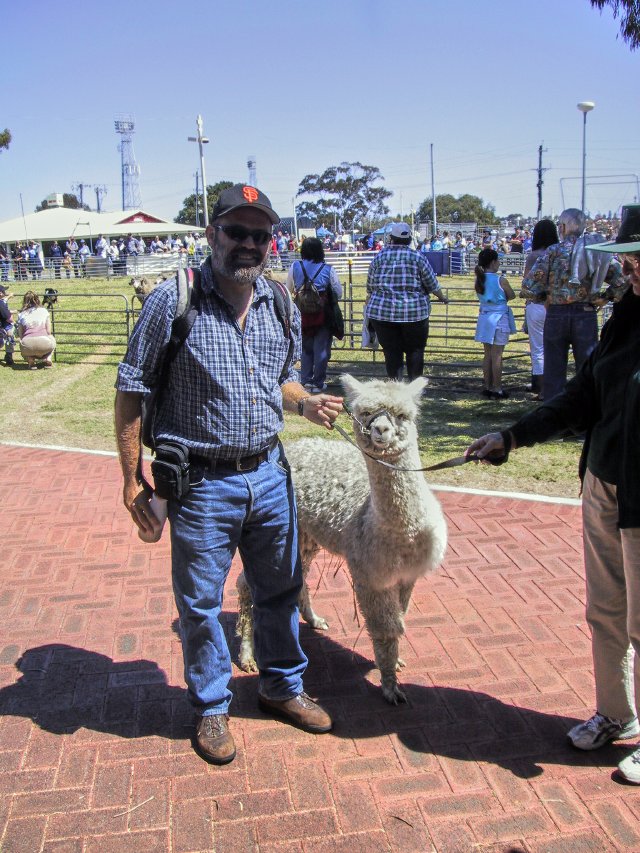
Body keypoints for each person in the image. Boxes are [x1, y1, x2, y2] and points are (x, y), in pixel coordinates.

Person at [115, 184, 343, 766]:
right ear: (212, 234)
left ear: (272, 242)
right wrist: (131, 478)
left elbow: (279, 376)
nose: (248, 244)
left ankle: (281, 687)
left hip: (269, 473)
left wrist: (303, 402)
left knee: (281, 591)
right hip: (201, 484)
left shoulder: (279, 302)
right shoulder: (174, 301)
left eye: (259, 235)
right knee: (199, 603)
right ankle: (212, 708)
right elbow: (131, 389)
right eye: (236, 232)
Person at [466, 204, 640, 785]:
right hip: (605, 486)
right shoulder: (624, 318)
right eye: (629, 259)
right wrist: (512, 435)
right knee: (607, 613)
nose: (633, 270)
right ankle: (616, 714)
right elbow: (582, 398)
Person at [521, 208, 626, 400]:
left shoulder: (553, 251)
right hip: (585, 314)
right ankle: (588, 417)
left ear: (562, 227)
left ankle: (554, 419)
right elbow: (622, 280)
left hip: (555, 315)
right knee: (587, 369)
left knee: (553, 371)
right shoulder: (597, 252)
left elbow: (529, 286)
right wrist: (605, 297)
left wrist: (545, 298)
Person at [366, 221, 448, 381]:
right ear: (410, 239)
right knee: (415, 351)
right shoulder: (418, 257)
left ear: (391, 238)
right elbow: (432, 284)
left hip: (383, 314)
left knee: (391, 353)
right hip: (414, 314)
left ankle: (396, 389)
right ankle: (414, 389)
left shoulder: (380, 256)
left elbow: (370, 286)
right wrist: (442, 297)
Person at [286, 236, 343, 393]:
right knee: (322, 349)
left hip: (302, 314)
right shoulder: (328, 269)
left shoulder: (295, 267)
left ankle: (305, 380)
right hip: (323, 315)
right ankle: (318, 383)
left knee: (305, 348)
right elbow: (338, 293)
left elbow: (288, 288)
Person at [521, 219, 560, 399]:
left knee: (537, 348)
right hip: (556, 306)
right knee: (554, 348)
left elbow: (527, 285)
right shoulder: (559, 254)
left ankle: (540, 387)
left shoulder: (534, 256)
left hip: (536, 305)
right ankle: (554, 386)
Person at [473, 247, 516, 399]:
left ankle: (487, 385)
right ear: (493, 262)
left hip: (485, 317)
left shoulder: (479, 279)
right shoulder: (500, 280)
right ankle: (497, 388)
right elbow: (511, 295)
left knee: (487, 354)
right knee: (497, 355)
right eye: (497, 260)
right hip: (499, 317)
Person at [16, 290, 56, 369]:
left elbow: (20, 334)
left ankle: (30, 360)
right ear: (37, 299)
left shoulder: (21, 314)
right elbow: (48, 331)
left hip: (27, 345)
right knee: (52, 338)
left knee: (22, 342)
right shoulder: (44, 311)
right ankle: (48, 358)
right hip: (44, 343)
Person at [0, 284, 15, 367]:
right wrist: (11, 312)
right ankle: (9, 356)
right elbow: (5, 315)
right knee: (10, 336)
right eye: (4, 291)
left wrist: (9, 296)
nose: (5, 292)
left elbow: (3, 302)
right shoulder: (1, 303)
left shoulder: (2, 301)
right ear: (0, 293)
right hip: (3, 324)